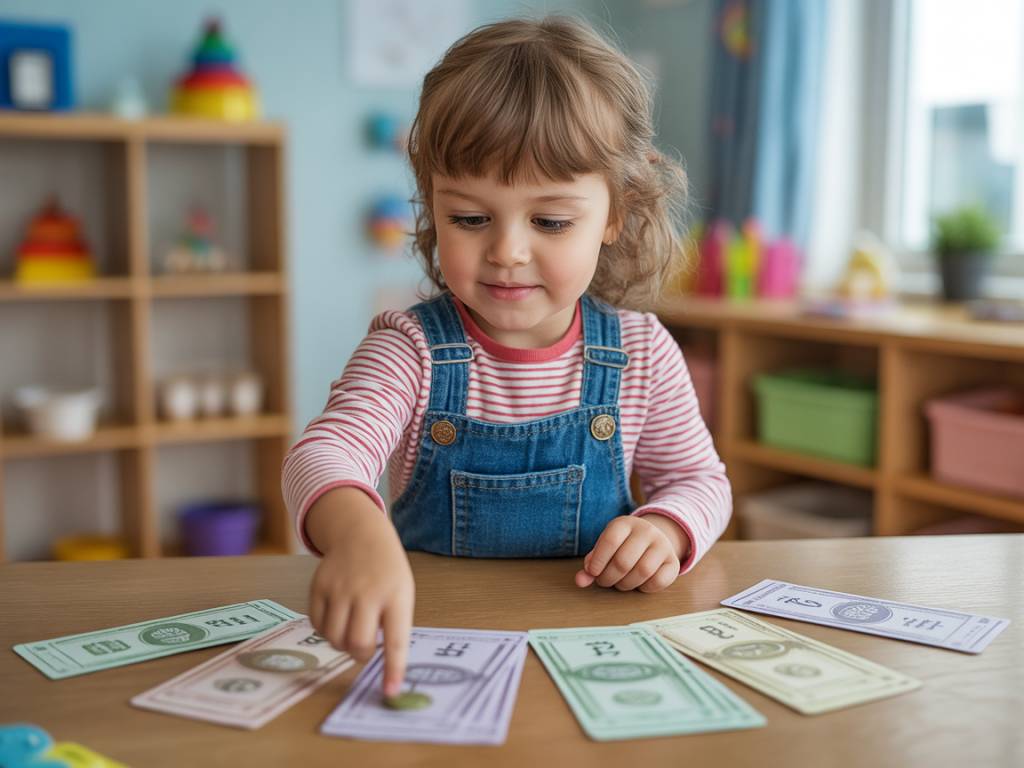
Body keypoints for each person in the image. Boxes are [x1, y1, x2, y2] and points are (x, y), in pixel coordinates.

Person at [282, 15, 732, 699]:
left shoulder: (641, 352)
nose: (508, 251)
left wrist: (668, 530)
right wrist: (356, 536)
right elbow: (324, 454)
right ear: (432, 204)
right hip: (432, 655)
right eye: (470, 218)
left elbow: (701, 480)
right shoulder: (410, 350)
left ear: (617, 210)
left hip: (590, 657)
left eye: (550, 221)